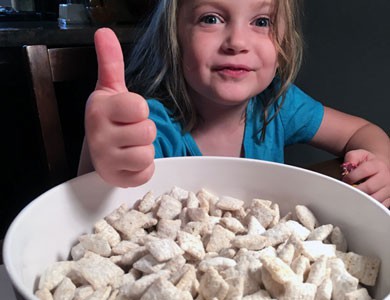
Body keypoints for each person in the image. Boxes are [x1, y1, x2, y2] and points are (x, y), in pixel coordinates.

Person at [78, 0, 390, 207]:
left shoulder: (277, 104)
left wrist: (379, 164)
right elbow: (99, 202)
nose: (237, 42)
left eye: (262, 21)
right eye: (211, 19)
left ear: (284, 41)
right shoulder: (153, 125)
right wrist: (100, 154)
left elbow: (362, 131)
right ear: (174, 36)